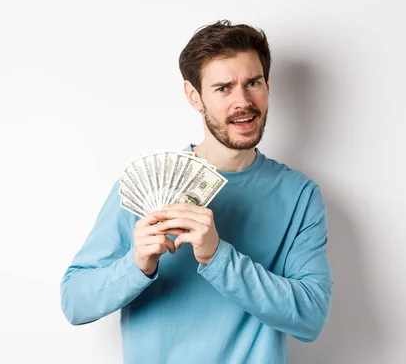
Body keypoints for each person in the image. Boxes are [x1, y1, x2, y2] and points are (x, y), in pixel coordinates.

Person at [60, 20, 333, 363]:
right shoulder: (148, 185)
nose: (243, 102)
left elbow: (310, 318)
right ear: (194, 95)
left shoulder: (300, 196)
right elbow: (74, 302)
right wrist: (137, 265)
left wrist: (218, 257)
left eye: (253, 83)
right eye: (223, 88)